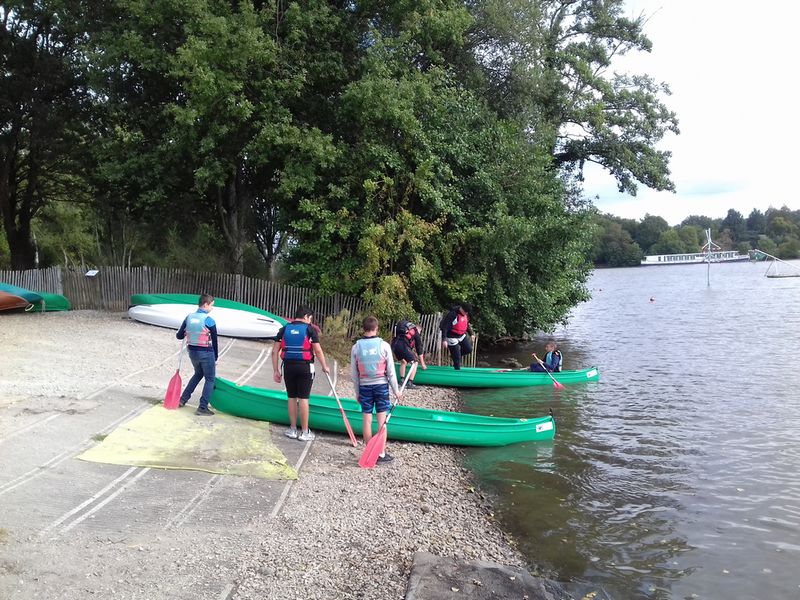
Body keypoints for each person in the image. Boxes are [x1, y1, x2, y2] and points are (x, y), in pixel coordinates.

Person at [272, 306, 330, 441]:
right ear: (306, 317)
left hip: (288, 367)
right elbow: (318, 350)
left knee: (291, 397)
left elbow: (275, 351)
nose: (310, 321)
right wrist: (324, 366)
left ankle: (292, 429)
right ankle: (304, 432)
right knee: (303, 398)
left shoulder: (284, 329)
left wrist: (276, 370)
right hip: (305, 367)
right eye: (310, 319)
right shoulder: (310, 330)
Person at [351, 316, 401, 464]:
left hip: (364, 386)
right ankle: (380, 453)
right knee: (382, 421)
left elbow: (354, 374)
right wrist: (396, 391)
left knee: (367, 420)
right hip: (381, 387)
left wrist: (357, 393)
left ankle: (369, 451)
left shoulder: (356, 347)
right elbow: (391, 372)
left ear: (363, 329)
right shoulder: (384, 345)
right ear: (376, 328)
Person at [177, 294, 219, 416]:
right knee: (210, 379)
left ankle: (182, 399)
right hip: (206, 352)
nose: (212, 308)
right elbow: (215, 341)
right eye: (211, 305)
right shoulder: (209, 320)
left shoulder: (188, 317)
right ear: (205, 304)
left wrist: (186, 332)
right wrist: (215, 357)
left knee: (198, 374)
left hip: (192, 352)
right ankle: (202, 407)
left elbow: (179, 336)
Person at [390, 319, 427, 388]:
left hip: (394, 345)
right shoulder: (415, 331)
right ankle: (410, 382)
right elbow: (419, 348)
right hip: (403, 345)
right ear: (418, 329)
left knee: (404, 361)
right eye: (420, 332)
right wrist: (422, 364)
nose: (419, 333)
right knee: (415, 363)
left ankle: (401, 381)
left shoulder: (404, 330)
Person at [439, 302, 474, 370]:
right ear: (461, 309)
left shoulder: (465, 314)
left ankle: (454, 355)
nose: (466, 313)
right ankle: (457, 371)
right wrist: (444, 339)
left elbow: (466, 324)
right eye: (465, 312)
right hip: (451, 336)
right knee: (457, 358)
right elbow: (445, 327)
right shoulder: (453, 314)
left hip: (461, 335)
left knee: (468, 349)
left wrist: (471, 334)